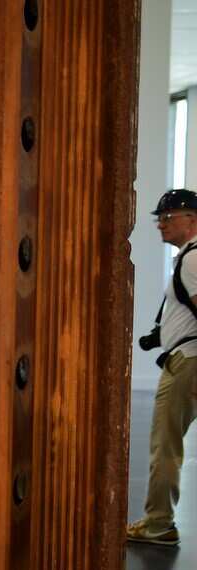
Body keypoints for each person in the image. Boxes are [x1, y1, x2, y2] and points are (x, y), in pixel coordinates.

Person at [128, 188, 197, 547]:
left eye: (167, 217)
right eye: (160, 219)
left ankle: (159, 525)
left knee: (164, 444)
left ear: (191, 219)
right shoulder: (188, 258)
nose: (161, 225)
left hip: (188, 363)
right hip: (186, 358)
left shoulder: (192, 260)